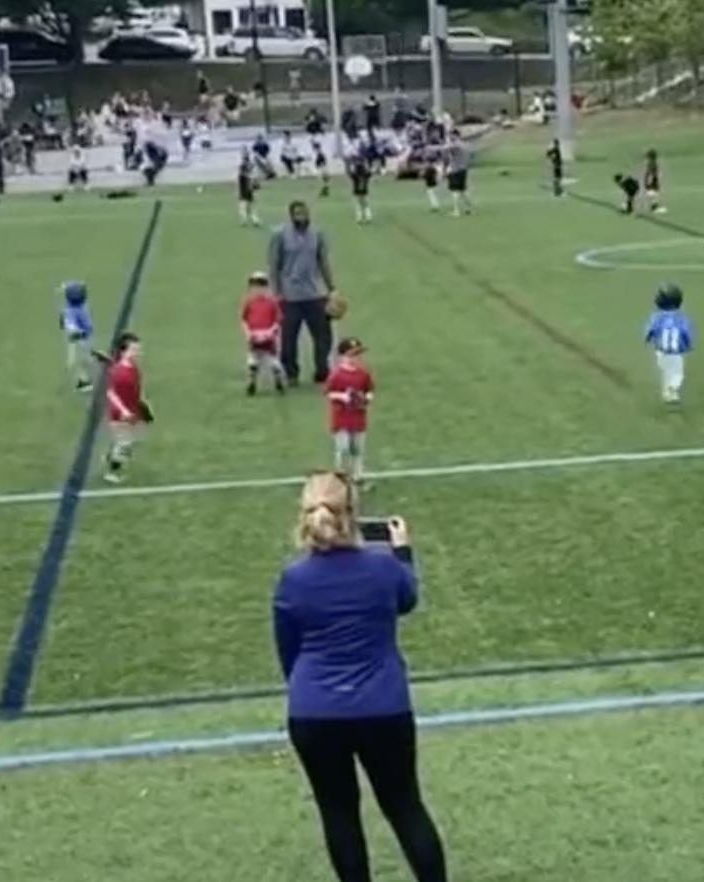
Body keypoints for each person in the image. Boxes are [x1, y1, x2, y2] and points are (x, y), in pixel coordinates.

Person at [273, 472, 449, 882]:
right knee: (405, 807)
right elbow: (407, 600)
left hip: (315, 712)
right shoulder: (383, 566)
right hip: (383, 706)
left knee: (338, 813)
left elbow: (288, 649)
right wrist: (404, 552)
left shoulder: (293, 578)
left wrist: (305, 692)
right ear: (352, 515)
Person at [268, 201, 339, 385]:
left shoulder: (317, 234)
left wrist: (332, 288)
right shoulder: (280, 235)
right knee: (288, 338)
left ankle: (322, 370)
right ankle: (291, 373)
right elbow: (274, 265)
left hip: (315, 294)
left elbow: (323, 262)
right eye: (297, 213)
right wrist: (276, 293)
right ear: (291, 215)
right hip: (290, 296)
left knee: (323, 336)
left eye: (304, 213)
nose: (301, 216)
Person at [100, 332, 151, 484]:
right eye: (134, 349)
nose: (138, 352)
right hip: (121, 415)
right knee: (125, 444)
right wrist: (124, 411)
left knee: (135, 440)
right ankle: (111, 472)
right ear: (124, 351)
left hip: (133, 411)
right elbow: (110, 394)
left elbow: (136, 388)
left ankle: (111, 455)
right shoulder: (119, 372)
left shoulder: (132, 367)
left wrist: (142, 404)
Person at [326, 338, 375, 483]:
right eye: (351, 355)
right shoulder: (336, 375)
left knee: (357, 448)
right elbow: (329, 392)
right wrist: (343, 397)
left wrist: (366, 398)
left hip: (358, 417)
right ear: (342, 357)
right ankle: (340, 472)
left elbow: (369, 390)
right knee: (344, 447)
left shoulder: (363, 374)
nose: (356, 358)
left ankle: (358, 473)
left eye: (358, 354)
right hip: (341, 418)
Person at [644, 283, 693, 404]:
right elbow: (686, 333)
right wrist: (688, 345)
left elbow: (651, 330)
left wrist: (648, 338)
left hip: (660, 352)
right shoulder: (681, 318)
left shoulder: (656, 317)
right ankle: (672, 391)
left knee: (666, 371)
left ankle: (667, 392)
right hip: (675, 354)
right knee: (677, 374)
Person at [242, 271, 287, 396]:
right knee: (253, 360)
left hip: (268, 335)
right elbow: (244, 319)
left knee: (273, 360)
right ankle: (252, 381)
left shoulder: (272, 303)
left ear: (266, 288)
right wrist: (248, 333)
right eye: (255, 286)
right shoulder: (249, 302)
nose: (258, 289)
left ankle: (278, 379)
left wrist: (271, 333)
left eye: (261, 286)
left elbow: (278, 320)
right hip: (254, 335)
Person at [58, 280, 95, 392]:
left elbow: (69, 326)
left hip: (81, 339)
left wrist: (65, 286)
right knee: (81, 361)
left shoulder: (73, 309)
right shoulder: (77, 308)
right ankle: (83, 382)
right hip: (82, 339)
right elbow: (70, 325)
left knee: (80, 361)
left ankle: (85, 381)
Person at [439, 132, 472, 217]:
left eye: (451, 136)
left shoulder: (455, 145)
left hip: (455, 170)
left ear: (456, 136)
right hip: (463, 169)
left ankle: (456, 211)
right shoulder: (465, 146)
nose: (450, 137)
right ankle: (468, 208)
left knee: (455, 191)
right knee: (463, 190)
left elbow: (444, 149)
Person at [349, 153, 374, 224]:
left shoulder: (355, 175)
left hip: (357, 192)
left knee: (358, 205)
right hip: (365, 191)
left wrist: (350, 165)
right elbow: (370, 173)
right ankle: (368, 217)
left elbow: (350, 173)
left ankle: (359, 218)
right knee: (366, 205)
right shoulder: (366, 174)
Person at [237, 154, 261, 227]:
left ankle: (244, 221)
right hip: (250, 194)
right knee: (251, 209)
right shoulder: (251, 175)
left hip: (244, 194)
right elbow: (257, 186)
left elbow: (241, 171)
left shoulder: (242, 176)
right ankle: (255, 221)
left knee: (243, 208)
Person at [641, 148, 665, 214]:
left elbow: (651, 172)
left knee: (654, 194)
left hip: (651, 180)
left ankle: (653, 207)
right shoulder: (652, 163)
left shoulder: (651, 163)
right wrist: (650, 182)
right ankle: (654, 208)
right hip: (651, 180)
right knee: (654, 194)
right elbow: (651, 173)